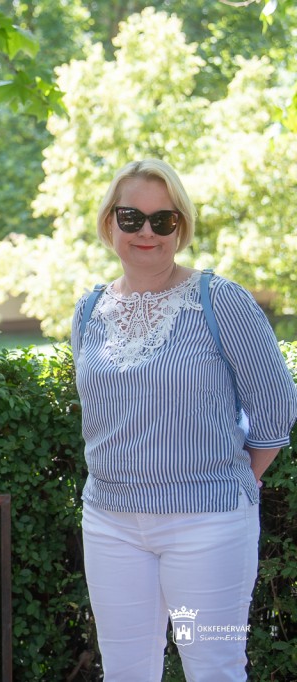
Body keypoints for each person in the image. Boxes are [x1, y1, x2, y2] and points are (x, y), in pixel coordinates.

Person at [71, 159, 297, 680]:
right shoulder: (89, 310)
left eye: (163, 220)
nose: (146, 232)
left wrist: (232, 483)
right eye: (131, 218)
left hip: (208, 525)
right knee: (125, 672)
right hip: (110, 524)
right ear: (109, 222)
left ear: (181, 226)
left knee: (213, 669)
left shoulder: (220, 300)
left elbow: (275, 405)